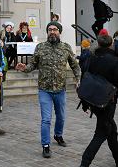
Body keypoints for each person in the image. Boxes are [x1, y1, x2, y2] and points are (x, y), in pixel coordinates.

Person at [16, 21, 81, 158]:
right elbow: (32, 65)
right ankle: (45, 145)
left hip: (60, 89)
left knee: (61, 117)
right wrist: (24, 68)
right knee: (46, 119)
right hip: (44, 89)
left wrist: (78, 79)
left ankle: (58, 135)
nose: (52, 32)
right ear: (47, 32)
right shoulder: (40, 47)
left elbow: (75, 66)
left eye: (55, 29)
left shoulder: (66, 47)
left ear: (59, 32)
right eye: (50, 29)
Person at [79, 34, 118, 167]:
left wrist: (84, 103)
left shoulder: (91, 58)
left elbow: (85, 79)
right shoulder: (114, 60)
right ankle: (85, 162)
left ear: (99, 44)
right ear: (111, 44)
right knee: (101, 133)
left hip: (94, 101)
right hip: (108, 102)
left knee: (111, 129)